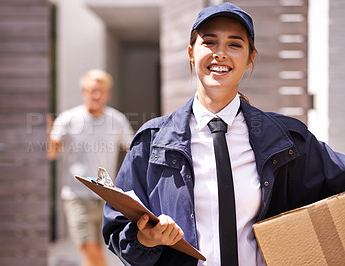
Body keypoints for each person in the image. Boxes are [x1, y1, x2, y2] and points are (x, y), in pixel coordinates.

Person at [102, 3, 345, 266]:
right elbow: (118, 232)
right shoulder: (152, 142)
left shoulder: (287, 139)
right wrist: (146, 239)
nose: (220, 54)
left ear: (251, 57)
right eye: (209, 42)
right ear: (191, 54)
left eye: (234, 44)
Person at [49, 69, 134, 266]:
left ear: (107, 93)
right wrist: (47, 134)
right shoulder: (67, 119)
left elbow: (132, 151)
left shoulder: (117, 120)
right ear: (83, 92)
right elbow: (51, 153)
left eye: (100, 91)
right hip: (77, 196)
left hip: (107, 197)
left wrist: (125, 184)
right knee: (90, 249)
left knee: (94, 254)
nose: (96, 95)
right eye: (91, 90)